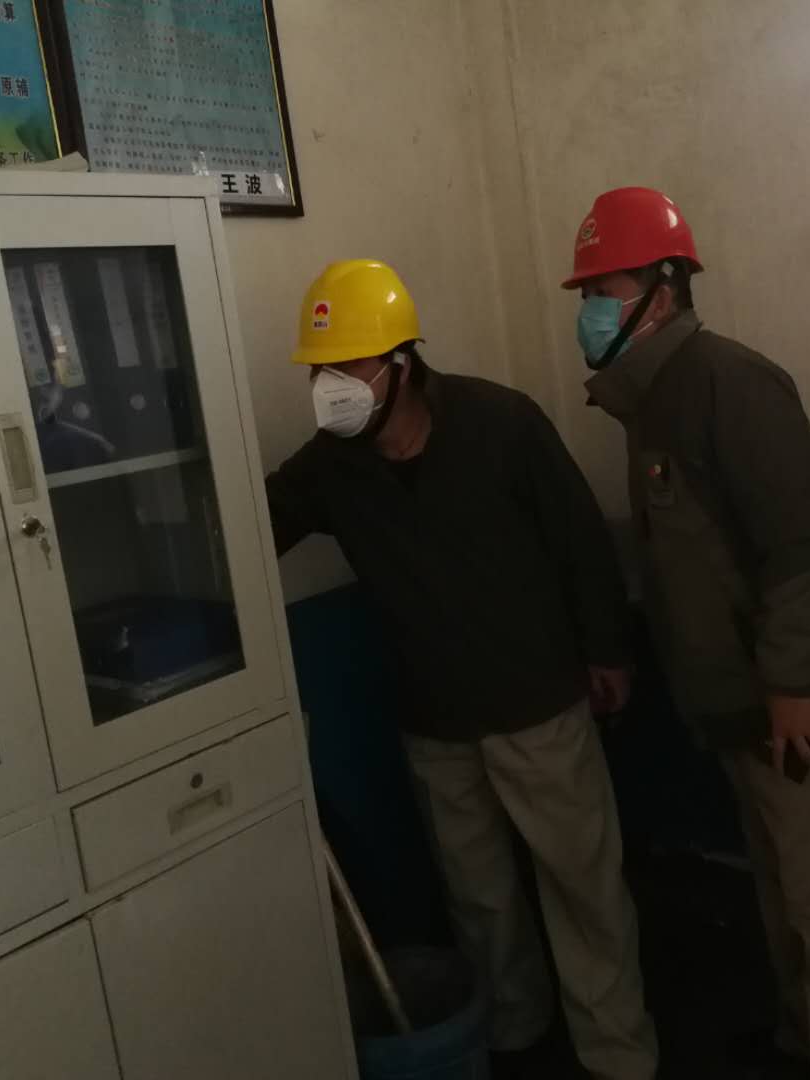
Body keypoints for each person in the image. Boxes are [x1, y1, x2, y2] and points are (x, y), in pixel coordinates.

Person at [265, 259, 658, 1080]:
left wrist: (609, 652)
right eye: (319, 370)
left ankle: (617, 1052)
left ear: (401, 364)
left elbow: (580, 541)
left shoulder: (500, 423)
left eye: (347, 367)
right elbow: (254, 526)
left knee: (583, 888)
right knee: (479, 900)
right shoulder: (331, 465)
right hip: (435, 720)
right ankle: (512, 1036)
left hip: (537, 704)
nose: (330, 387)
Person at [562, 188, 810, 1080]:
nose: (589, 310)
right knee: (783, 893)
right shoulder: (648, 402)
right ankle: (804, 1043)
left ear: (663, 290)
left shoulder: (730, 382)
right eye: (586, 293)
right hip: (741, 710)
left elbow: (808, 548)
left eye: (605, 290)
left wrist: (791, 687)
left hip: (804, 710)